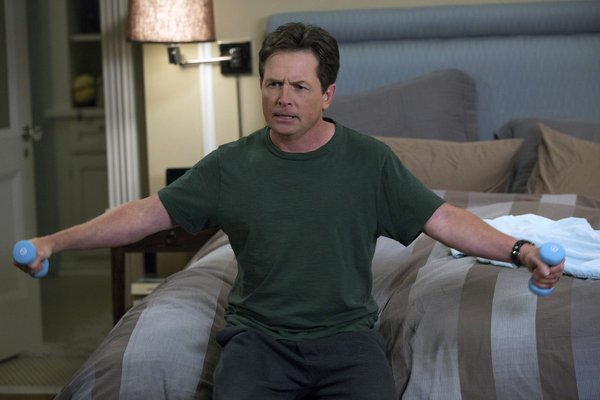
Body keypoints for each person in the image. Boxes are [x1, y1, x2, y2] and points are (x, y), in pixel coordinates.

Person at [15, 22, 563, 399]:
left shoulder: (369, 161)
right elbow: (145, 214)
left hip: (348, 339)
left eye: (300, 86)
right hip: (257, 340)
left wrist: (520, 250)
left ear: (327, 95)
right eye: (273, 84)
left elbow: (444, 221)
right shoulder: (230, 165)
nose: (283, 98)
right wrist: (54, 242)